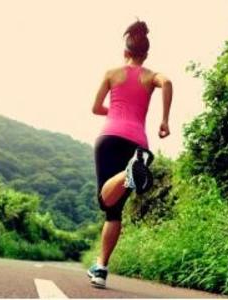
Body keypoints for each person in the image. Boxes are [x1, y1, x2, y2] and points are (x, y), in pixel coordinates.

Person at [87, 20, 173, 288]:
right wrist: (164, 120)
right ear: (145, 54)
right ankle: (100, 268)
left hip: (109, 137)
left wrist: (114, 112)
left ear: (125, 51)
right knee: (115, 211)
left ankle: (128, 173)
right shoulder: (150, 76)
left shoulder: (112, 73)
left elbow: (95, 107)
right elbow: (168, 81)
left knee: (106, 202)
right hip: (136, 142)